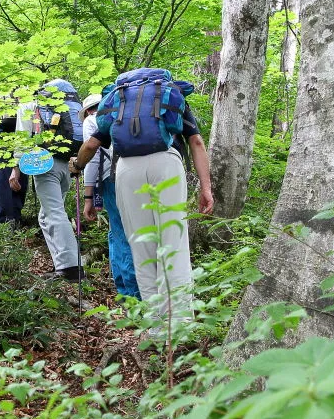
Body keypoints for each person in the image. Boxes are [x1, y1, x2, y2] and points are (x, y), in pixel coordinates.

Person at [69, 75, 214, 326]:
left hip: (127, 169)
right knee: (173, 243)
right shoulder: (169, 94)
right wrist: (206, 188)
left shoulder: (118, 99)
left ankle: (155, 326)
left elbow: (92, 145)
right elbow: (196, 142)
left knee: (141, 246)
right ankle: (180, 324)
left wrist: (76, 165)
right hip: (167, 164)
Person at [11, 79, 84, 282]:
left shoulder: (29, 106)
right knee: (46, 215)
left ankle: (71, 267)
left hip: (44, 164)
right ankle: (62, 263)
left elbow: (22, 138)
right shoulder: (67, 104)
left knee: (54, 213)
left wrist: (15, 170)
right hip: (66, 162)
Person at [79, 93, 140, 299]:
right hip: (140, 177)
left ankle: (132, 296)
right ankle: (128, 289)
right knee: (124, 233)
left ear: (88, 109)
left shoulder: (92, 120)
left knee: (121, 234)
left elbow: (92, 157)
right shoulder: (128, 114)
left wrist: (88, 197)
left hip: (112, 179)